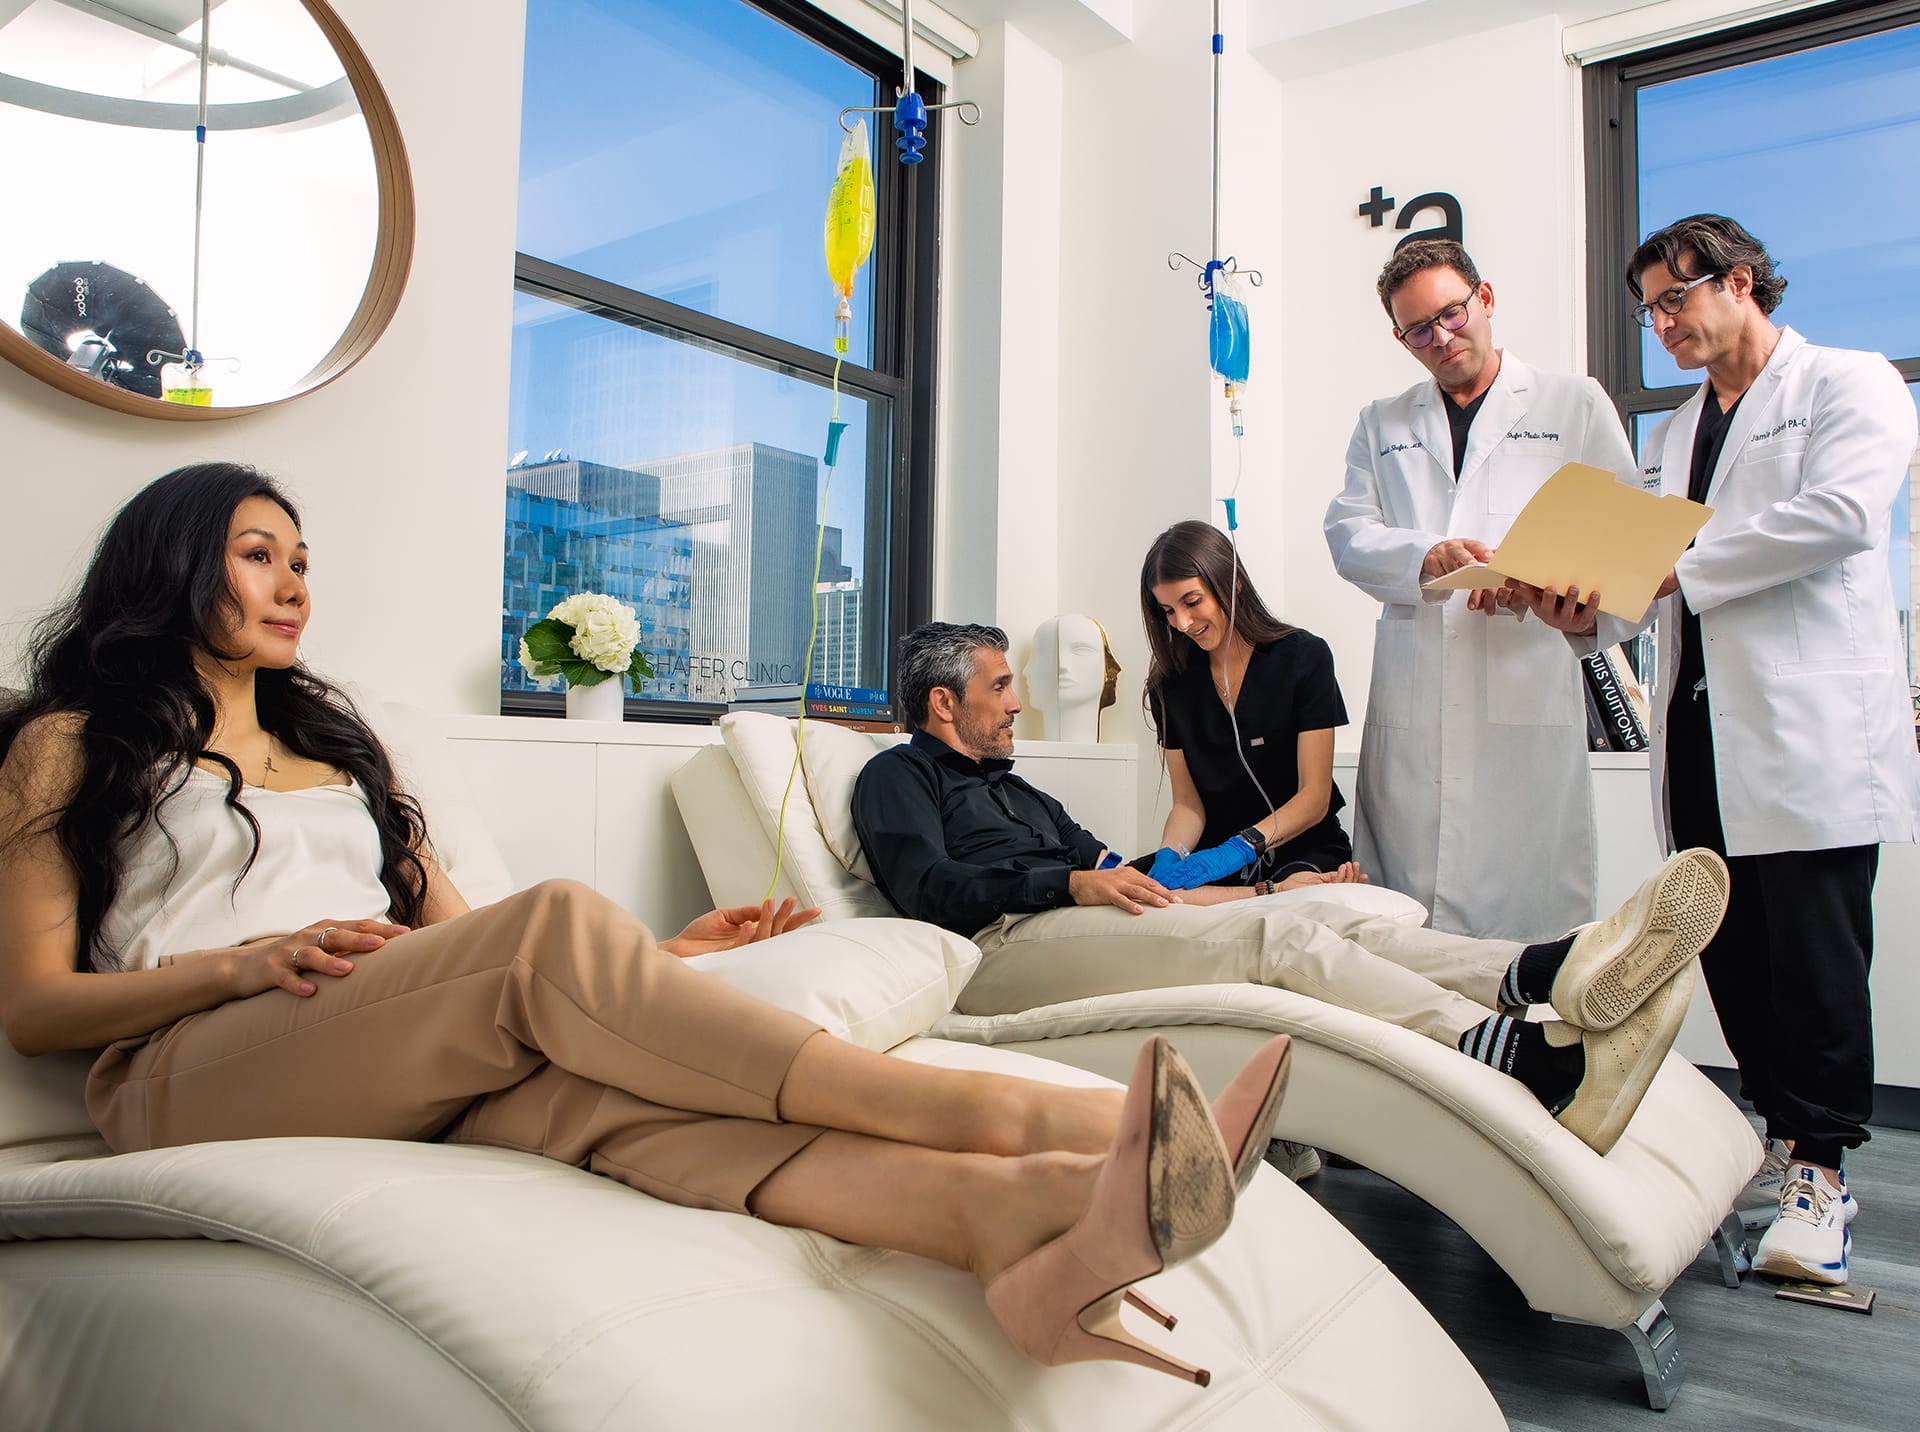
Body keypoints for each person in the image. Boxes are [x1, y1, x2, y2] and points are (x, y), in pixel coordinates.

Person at [0, 462, 1300, 1387]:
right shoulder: (72, 745)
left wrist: (648, 962)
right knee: (563, 930)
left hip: (377, 1040)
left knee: (616, 1110)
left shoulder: (343, 758)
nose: (292, 584)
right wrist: (241, 960)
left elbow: (481, 938)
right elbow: (39, 1008)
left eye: (301, 560)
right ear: (173, 565)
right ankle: (1047, 1122)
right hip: (185, 1068)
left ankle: (1007, 1236)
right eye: (257, 553)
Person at [851, 622, 1733, 1158]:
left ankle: (1547, 966)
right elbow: (931, 889)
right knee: (1286, 948)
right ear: (942, 704)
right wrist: (1068, 882)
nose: (1016, 702)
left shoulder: (1021, 787)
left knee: (1312, 917)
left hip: (1079, 922)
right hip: (1000, 953)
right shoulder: (901, 778)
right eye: (1002, 686)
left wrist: (1268, 886)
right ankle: (1527, 1059)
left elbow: (1130, 877)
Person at [1514, 215, 1920, 1286]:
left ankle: (1824, 1175)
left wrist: (1668, 577)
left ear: (1741, 282)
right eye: (1649, 307)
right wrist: (1581, 618)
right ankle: (1783, 1145)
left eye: (1674, 299)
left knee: (1817, 959)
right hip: (1697, 724)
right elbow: (1647, 571)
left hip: (1809, 728)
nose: (1662, 324)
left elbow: (1838, 516)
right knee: (1732, 944)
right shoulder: (1676, 431)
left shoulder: (1849, 383)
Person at [1323, 239, 1637, 940]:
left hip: (1523, 694)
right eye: (1419, 330)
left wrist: (1554, 594)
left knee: (1528, 937)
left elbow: (1622, 548)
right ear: (1402, 340)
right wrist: (1427, 557)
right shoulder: (1383, 422)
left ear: (1485, 299)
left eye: (1452, 314)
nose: (1442, 337)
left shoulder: (1573, 403)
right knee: (1406, 939)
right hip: (1417, 706)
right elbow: (1348, 533)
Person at [1139, 520, 1359, 890]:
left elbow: (1314, 797)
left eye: (1192, 602)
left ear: (1232, 581)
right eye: (1168, 611)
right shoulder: (1170, 684)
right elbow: (1188, 806)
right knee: (1122, 889)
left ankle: (1268, 893)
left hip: (1302, 848)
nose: (1182, 622)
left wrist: (1242, 847)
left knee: (1293, 901)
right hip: (1215, 856)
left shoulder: (1304, 658)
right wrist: (1170, 854)